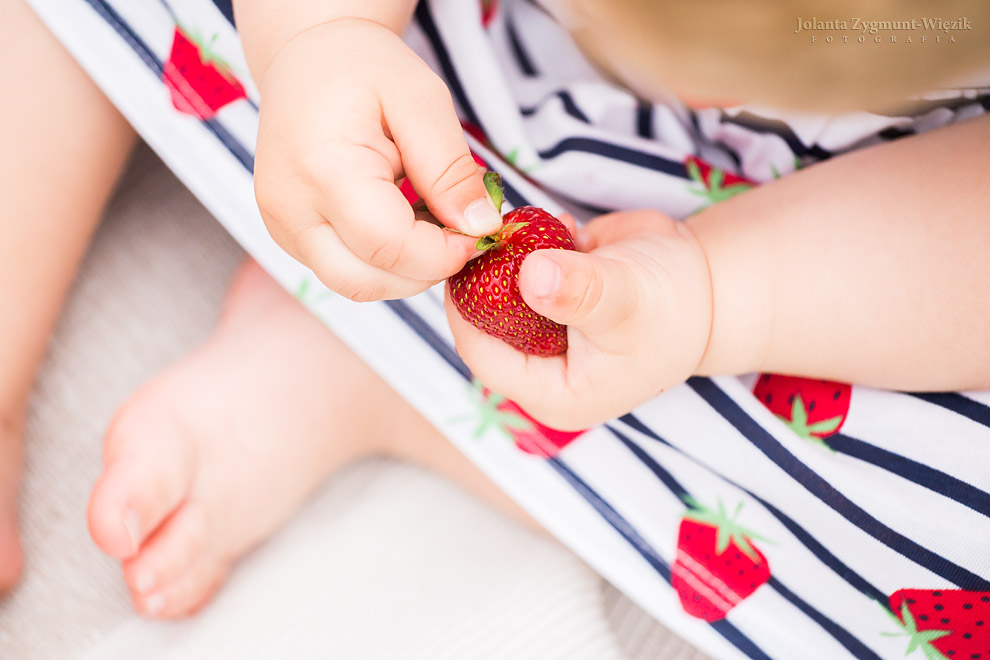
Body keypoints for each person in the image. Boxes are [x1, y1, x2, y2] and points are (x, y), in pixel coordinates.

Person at [4, 0, 989, 654]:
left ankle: (388, 384)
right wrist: (319, 44)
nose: (693, 92)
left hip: (859, 223)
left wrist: (718, 298)